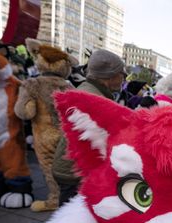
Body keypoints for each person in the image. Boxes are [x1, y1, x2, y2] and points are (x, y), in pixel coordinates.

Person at [52, 49, 126, 205]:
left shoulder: (89, 91)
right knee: (72, 222)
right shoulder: (93, 99)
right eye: (122, 74)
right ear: (110, 76)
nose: (124, 78)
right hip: (74, 173)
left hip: (69, 167)